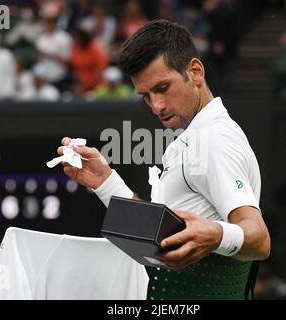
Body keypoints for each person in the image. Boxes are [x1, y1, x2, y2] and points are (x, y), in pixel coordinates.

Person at [57, 19, 270, 300]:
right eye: (146, 96)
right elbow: (155, 237)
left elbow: (259, 238)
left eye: (162, 87)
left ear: (195, 72)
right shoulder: (193, 137)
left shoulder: (213, 140)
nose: (156, 106)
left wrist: (216, 235)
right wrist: (105, 182)